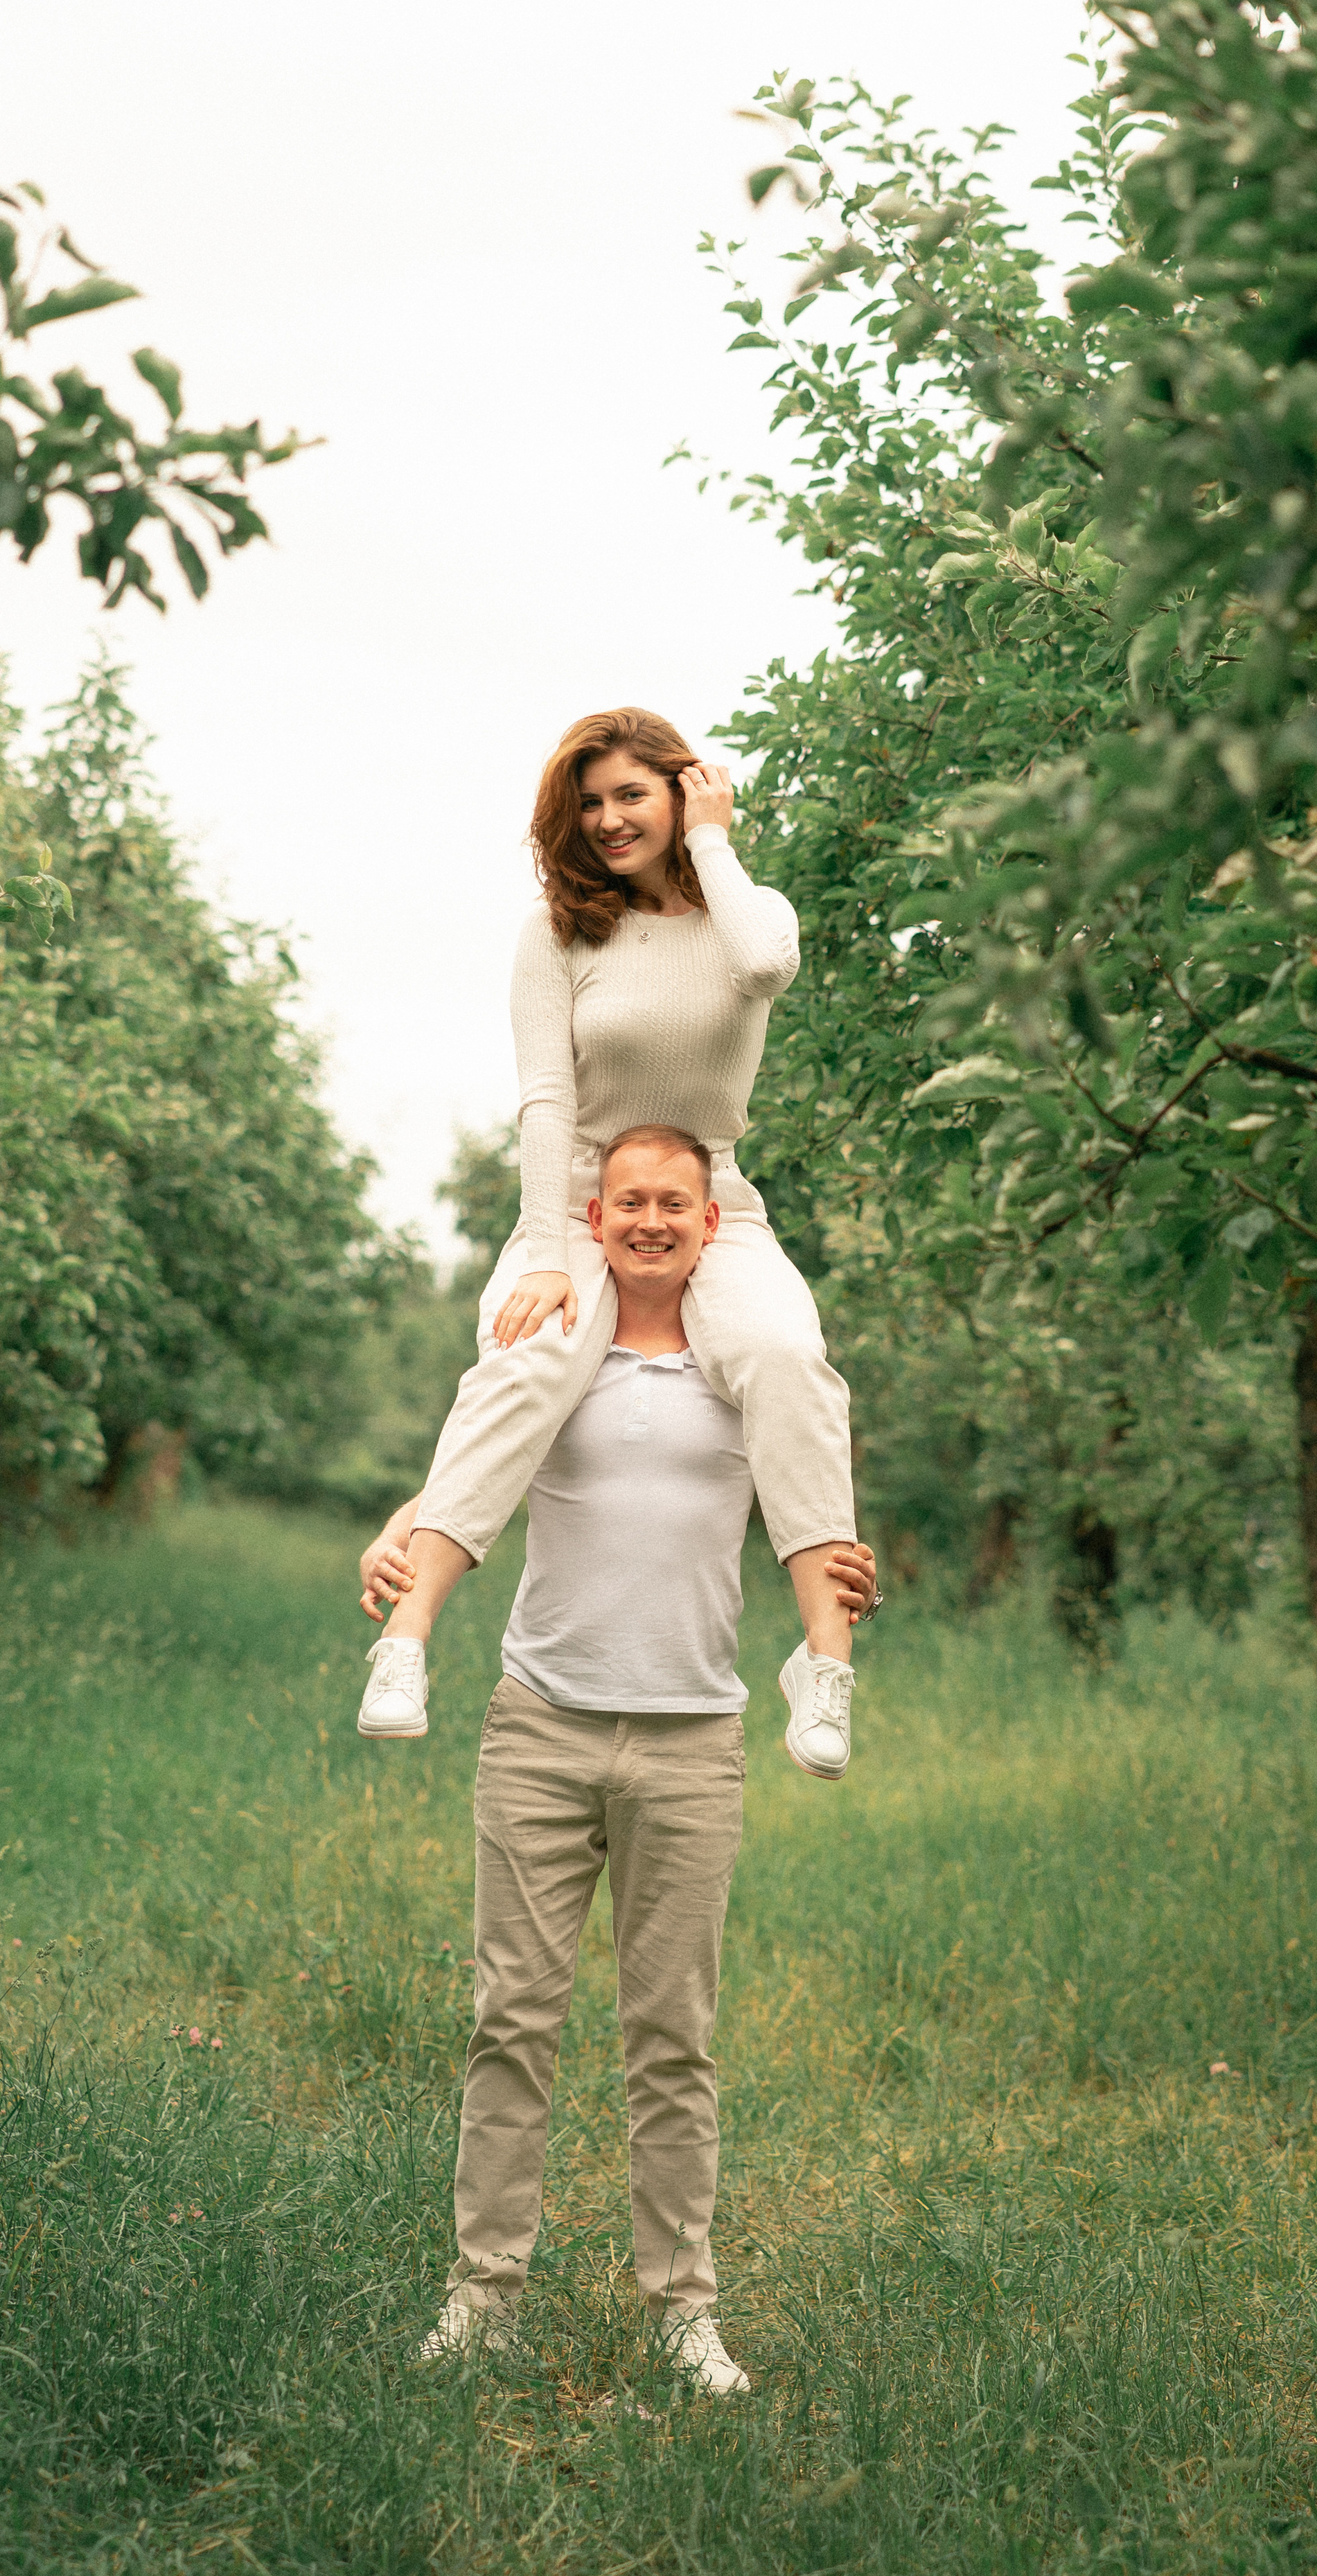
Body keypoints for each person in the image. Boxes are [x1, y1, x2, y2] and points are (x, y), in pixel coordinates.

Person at [391, 1128, 877, 2392]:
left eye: (675, 1202)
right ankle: (482, 2296)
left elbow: (815, 1491)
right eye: (629, 1203)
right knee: (514, 2024)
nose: (651, 1220)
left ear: (711, 1224)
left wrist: (839, 1581)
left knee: (673, 2040)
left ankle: (682, 2311)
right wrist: (392, 1549)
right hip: (541, 1729)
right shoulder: (550, 1354)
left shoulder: (745, 1366)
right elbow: (462, 1471)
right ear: (592, 1220)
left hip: (691, 1741)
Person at [354, 707, 860, 1778]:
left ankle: (822, 1667)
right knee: (527, 1360)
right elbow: (545, 1098)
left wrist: (714, 842)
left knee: (786, 1357)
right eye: (588, 803)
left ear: (683, 790)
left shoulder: (746, 913)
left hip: (710, 1193)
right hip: (583, 1195)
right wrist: (546, 1251)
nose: (608, 819)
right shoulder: (558, 932)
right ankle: (405, 1643)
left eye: (632, 793)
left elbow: (766, 968)